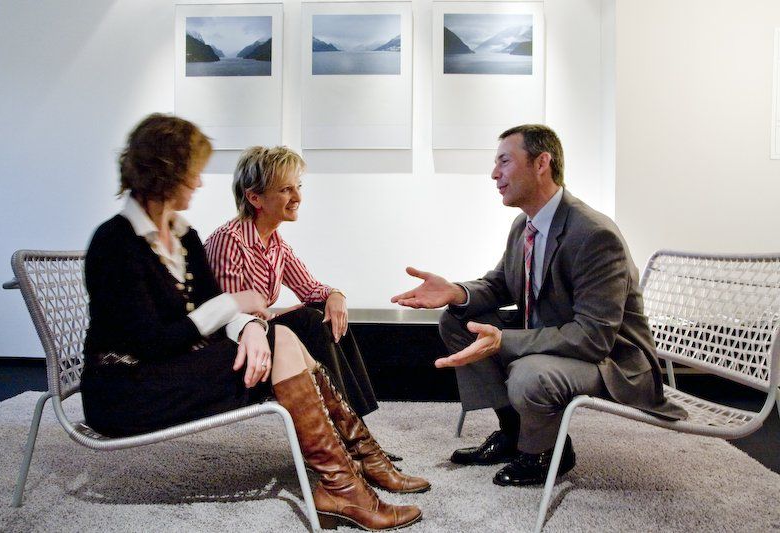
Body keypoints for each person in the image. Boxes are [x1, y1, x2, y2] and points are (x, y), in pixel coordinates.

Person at [81, 113, 427, 531]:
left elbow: (217, 307)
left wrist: (248, 328)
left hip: (173, 365)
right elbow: (152, 341)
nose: (200, 182)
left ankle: (348, 473)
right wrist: (239, 311)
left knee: (287, 333)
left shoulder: (184, 236)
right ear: (165, 172)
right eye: (193, 172)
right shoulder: (115, 241)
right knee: (285, 337)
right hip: (127, 388)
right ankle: (347, 479)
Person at [391, 124, 686, 487]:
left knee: (529, 373)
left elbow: (594, 338)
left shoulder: (594, 234)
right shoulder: (524, 225)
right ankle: (514, 431)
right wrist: (456, 292)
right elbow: (500, 284)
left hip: (613, 361)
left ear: (541, 163)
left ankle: (544, 452)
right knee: (457, 321)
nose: (494, 174)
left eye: (504, 161)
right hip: (560, 342)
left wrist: (505, 341)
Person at [204, 146, 399, 460]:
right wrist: (280, 315)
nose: (297, 197)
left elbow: (311, 288)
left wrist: (336, 295)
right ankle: (355, 440)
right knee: (309, 318)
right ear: (254, 198)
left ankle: (357, 432)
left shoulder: (277, 244)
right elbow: (235, 316)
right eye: (285, 189)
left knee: (325, 313)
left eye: (298, 186)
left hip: (261, 332)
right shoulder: (229, 240)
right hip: (233, 346)